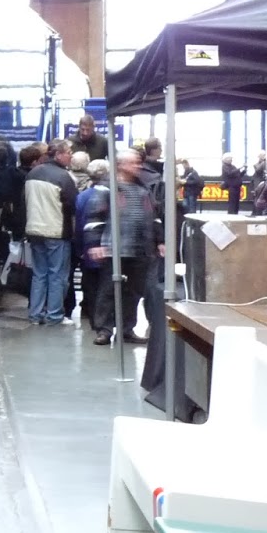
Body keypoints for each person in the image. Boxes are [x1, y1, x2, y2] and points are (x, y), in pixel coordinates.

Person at [88, 153, 166, 383]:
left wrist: (159, 241)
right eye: (133, 162)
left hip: (140, 249)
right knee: (108, 290)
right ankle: (104, 329)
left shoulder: (145, 191)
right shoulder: (106, 189)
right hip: (113, 247)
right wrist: (94, 243)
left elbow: (155, 218)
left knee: (134, 291)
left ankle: (127, 328)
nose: (138, 166)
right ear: (121, 165)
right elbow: (95, 217)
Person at [24, 139, 76, 325]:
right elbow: (72, 204)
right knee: (57, 275)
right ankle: (54, 315)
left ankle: (35, 314)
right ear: (58, 154)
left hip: (34, 230)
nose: (71, 155)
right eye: (69, 152)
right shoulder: (63, 177)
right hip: (56, 231)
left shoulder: (32, 173)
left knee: (39, 274)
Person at [75, 159, 113, 344]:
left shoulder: (82, 196)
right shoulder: (110, 195)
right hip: (106, 248)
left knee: (90, 285)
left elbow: (79, 224)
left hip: (88, 249)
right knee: (106, 288)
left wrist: (80, 248)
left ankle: (92, 317)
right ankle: (104, 321)